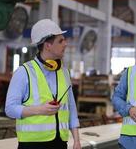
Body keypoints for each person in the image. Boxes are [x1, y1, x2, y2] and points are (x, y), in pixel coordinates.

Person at [5, 19, 81, 149]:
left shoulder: (64, 72)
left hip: (60, 143)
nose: (66, 44)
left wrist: (77, 140)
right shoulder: (24, 72)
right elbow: (10, 109)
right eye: (60, 41)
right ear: (48, 45)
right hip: (32, 145)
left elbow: (71, 108)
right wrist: (39, 110)